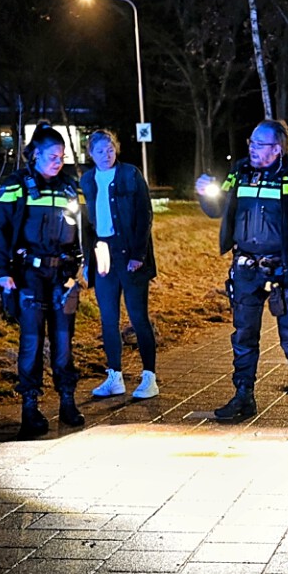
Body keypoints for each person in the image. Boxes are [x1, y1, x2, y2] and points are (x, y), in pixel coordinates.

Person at [194, 119, 288, 427]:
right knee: (243, 336)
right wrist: (204, 194)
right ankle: (243, 397)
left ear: (276, 149)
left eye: (258, 144)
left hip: (285, 269)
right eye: (250, 143)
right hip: (245, 269)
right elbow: (218, 209)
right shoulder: (240, 172)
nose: (251, 149)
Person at [0, 129, 86, 437]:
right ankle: (29, 409)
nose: (58, 163)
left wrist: (85, 266)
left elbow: (84, 229)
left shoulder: (69, 187)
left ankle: (67, 402)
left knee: (63, 340)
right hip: (28, 274)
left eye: (62, 157)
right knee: (31, 342)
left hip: (62, 274)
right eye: (52, 157)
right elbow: (1, 230)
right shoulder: (16, 186)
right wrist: (2, 271)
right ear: (35, 154)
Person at [80, 128, 159, 401]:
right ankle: (114, 376)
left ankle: (149, 376)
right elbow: (87, 224)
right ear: (90, 153)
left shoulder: (130, 174)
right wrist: (86, 261)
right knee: (108, 318)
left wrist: (138, 254)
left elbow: (144, 214)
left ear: (117, 150)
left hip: (129, 252)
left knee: (138, 317)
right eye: (100, 151)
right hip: (103, 253)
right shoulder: (88, 179)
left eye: (110, 149)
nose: (106, 155)